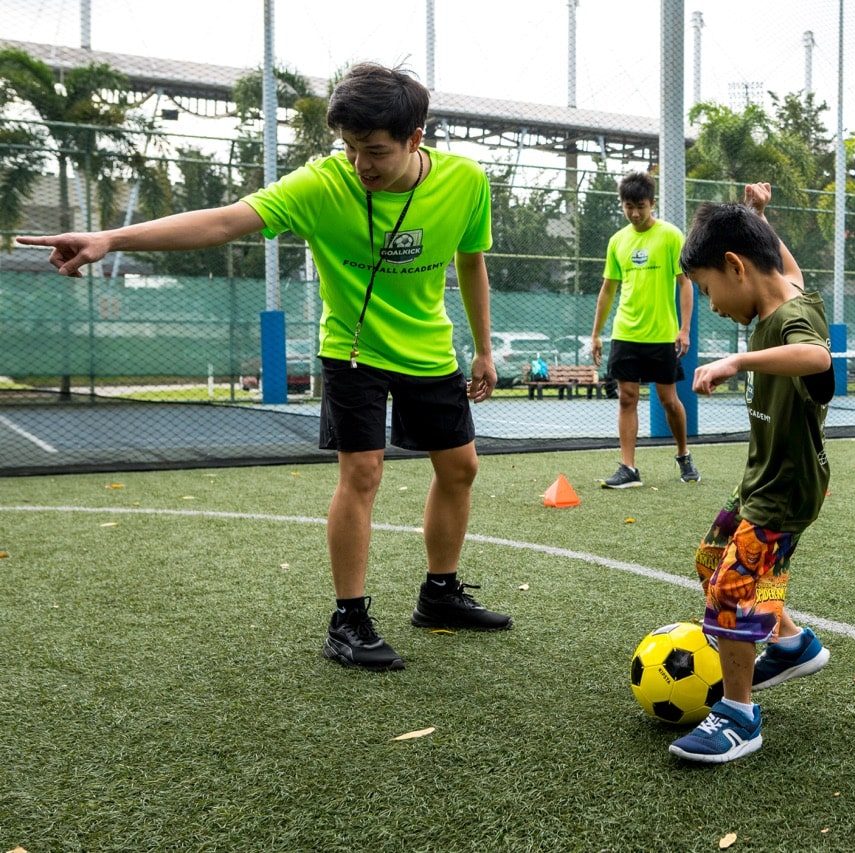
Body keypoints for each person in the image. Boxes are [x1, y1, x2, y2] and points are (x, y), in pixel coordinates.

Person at [16, 62, 511, 673]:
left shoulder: (466, 182)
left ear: (416, 138)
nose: (361, 163)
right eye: (350, 148)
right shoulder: (322, 185)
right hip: (354, 350)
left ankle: (440, 595)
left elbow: (471, 262)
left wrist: (483, 347)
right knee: (362, 474)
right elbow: (225, 220)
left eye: (375, 150)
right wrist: (112, 240)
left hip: (430, 349)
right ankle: (349, 620)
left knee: (460, 469)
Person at [668, 183, 834, 764]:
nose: (711, 304)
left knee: (734, 591)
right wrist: (760, 217)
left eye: (709, 289)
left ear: (735, 268)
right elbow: (783, 264)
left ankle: (739, 715)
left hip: (786, 485)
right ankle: (791, 643)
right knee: (712, 561)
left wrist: (737, 359)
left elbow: (818, 357)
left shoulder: (790, 316)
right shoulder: (784, 287)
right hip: (760, 476)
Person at [590, 170, 700, 489]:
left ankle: (683, 454)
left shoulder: (670, 236)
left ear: (652, 202)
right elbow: (608, 290)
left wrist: (684, 329)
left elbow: (685, 284)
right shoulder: (617, 241)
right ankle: (628, 467)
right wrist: (596, 333)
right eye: (628, 206)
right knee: (627, 397)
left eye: (640, 205)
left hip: (662, 334)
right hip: (625, 332)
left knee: (668, 400)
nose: (635, 213)